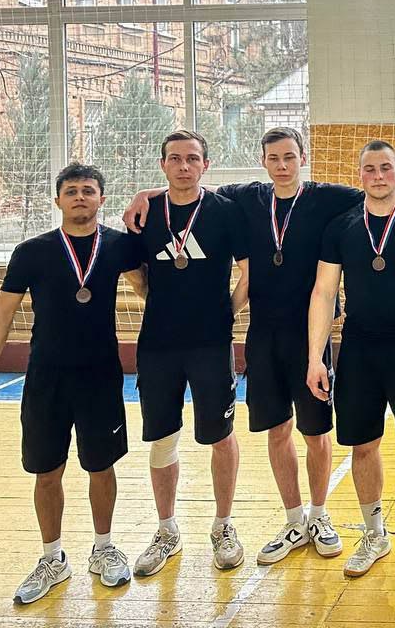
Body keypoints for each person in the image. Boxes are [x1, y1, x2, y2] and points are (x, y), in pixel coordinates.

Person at [122, 127, 395, 566]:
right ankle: (294, 520)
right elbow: (192, 188)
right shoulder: (247, 197)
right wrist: (145, 193)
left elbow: (381, 192)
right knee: (277, 431)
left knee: (316, 433)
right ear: (263, 161)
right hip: (264, 335)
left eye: (290, 157)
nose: (282, 165)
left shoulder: (328, 198)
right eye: (273, 158)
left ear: (302, 158)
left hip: (310, 336)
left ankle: (320, 515)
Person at [0, 163, 146, 604]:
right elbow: (2, 314)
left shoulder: (119, 246)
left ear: (102, 199)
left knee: (101, 466)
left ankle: (103, 549)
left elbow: (147, 289)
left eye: (88, 190)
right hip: (46, 378)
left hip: (100, 376)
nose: (80, 197)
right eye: (71, 191)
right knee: (47, 471)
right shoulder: (32, 251)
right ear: (57, 201)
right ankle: (52, 559)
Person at [307, 141, 395, 576]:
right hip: (358, 349)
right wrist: (315, 358)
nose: (378, 176)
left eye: (385, 167)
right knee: (363, 446)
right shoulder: (342, 226)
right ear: (360, 175)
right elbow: (324, 292)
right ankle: (374, 535)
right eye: (369, 169)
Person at [129, 130, 251, 577]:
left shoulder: (225, 211)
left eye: (193, 158)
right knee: (162, 436)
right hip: (158, 345)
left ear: (205, 164)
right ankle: (166, 530)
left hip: (210, 344)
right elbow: (136, 273)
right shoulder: (145, 214)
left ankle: (223, 525)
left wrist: (226, 313)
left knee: (221, 435)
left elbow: (249, 272)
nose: (184, 166)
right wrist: (158, 302)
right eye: (175, 158)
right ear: (163, 164)